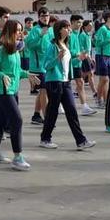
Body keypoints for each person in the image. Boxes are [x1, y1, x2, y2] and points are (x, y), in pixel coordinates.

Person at [0, 20, 40, 171]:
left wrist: (27, 74)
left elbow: (15, 70)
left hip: (13, 88)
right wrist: (0, 75)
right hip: (3, 90)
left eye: (21, 30)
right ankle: (18, 156)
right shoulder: (2, 48)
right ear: (10, 32)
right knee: (17, 119)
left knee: (0, 122)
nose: (20, 33)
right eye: (17, 30)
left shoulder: (15, 49)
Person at [39, 20, 95, 151]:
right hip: (54, 82)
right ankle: (45, 138)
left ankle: (81, 141)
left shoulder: (65, 45)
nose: (69, 30)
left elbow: (67, 62)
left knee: (71, 111)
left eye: (69, 27)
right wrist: (57, 58)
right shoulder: (52, 46)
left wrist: (78, 59)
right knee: (52, 112)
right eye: (66, 27)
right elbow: (46, 65)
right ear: (59, 30)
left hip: (66, 82)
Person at [25, 8, 53, 126]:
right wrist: (40, 36)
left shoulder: (51, 30)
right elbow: (29, 45)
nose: (45, 18)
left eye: (46, 15)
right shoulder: (35, 30)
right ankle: (47, 118)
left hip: (48, 65)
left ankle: (36, 115)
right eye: (42, 16)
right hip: (38, 66)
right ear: (38, 17)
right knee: (44, 91)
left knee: (42, 92)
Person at [69, 15, 95, 117]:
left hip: (78, 62)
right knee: (63, 85)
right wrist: (78, 54)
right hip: (69, 62)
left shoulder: (77, 34)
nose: (80, 25)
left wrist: (82, 54)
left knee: (80, 82)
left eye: (81, 22)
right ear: (72, 22)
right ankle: (58, 105)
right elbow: (67, 49)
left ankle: (84, 106)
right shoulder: (70, 34)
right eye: (78, 22)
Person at [94, 12, 110, 111]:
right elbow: (97, 43)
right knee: (104, 79)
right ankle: (98, 99)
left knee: (106, 80)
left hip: (109, 56)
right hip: (102, 55)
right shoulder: (102, 29)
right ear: (108, 18)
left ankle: (106, 101)